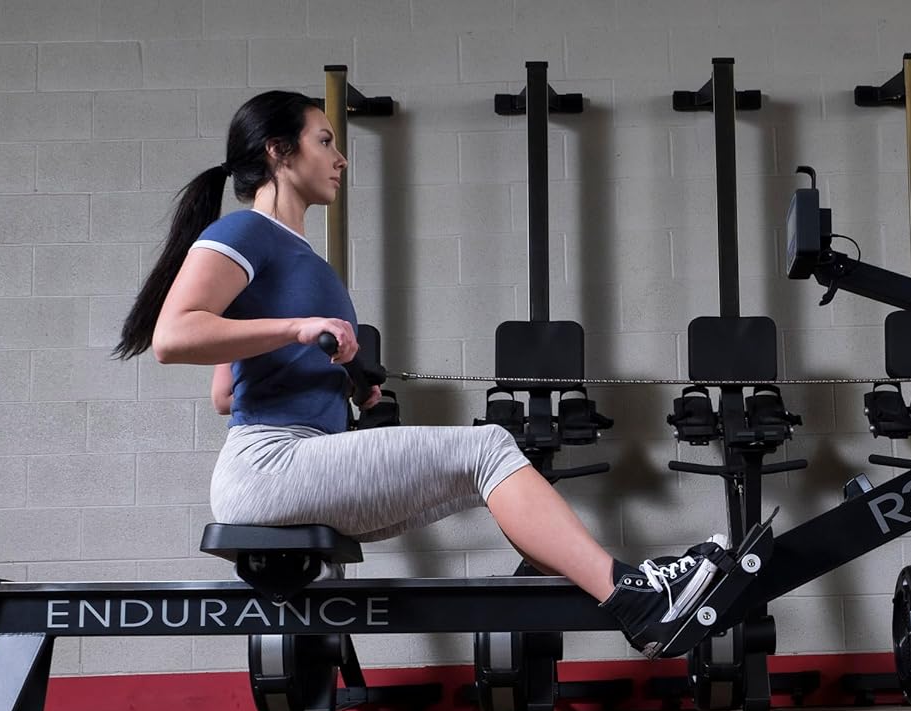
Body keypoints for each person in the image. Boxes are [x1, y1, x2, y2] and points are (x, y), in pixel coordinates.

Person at [114, 90, 732, 659]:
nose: (340, 158)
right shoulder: (245, 231)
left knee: (489, 474)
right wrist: (299, 328)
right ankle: (632, 596)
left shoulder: (299, 256)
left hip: (292, 461)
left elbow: (228, 392)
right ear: (279, 151)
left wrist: (348, 384)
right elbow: (172, 337)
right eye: (324, 141)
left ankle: (620, 594)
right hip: (268, 465)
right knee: (489, 447)